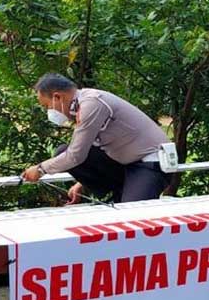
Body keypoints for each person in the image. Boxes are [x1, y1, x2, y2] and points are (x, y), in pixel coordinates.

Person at [21, 74, 171, 203]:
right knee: (62, 151)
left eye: (47, 106)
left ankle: (129, 194)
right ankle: (124, 191)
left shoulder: (92, 104)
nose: (49, 111)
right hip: (126, 164)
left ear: (57, 97)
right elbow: (88, 147)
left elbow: (76, 155)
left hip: (150, 162)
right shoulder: (81, 105)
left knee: (131, 216)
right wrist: (82, 183)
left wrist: (40, 169)